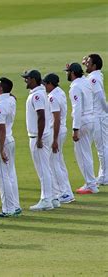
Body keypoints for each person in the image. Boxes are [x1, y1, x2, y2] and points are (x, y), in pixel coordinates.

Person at [22, 70, 56, 211]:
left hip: (38, 136)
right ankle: (53, 198)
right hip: (41, 135)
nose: (25, 81)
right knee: (46, 168)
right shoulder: (39, 93)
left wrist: (40, 138)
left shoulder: (37, 95)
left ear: (34, 80)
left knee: (43, 170)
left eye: (27, 78)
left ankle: (46, 199)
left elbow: (41, 116)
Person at [0, 77, 21, 217]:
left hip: (0, 140)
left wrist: (1, 149)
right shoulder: (11, 100)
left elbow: (1, 128)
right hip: (10, 138)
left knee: (3, 177)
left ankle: (8, 209)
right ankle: (15, 206)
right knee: (10, 174)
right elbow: (13, 97)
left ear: (1, 89)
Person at [65, 63, 97, 194]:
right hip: (91, 118)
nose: (67, 74)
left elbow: (77, 108)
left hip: (82, 121)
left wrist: (75, 129)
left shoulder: (75, 87)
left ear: (72, 73)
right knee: (86, 153)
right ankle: (91, 182)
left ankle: (91, 184)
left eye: (68, 72)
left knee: (83, 155)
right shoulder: (86, 82)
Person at [42, 73, 75, 203]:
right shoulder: (59, 91)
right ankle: (67, 191)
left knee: (54, 163)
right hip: (61, 130)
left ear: (50, 84)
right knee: (59, 162)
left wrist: (54, 140)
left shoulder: (53, 97)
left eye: (45, 84)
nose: (44, 86)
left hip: (56, 131)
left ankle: (64, 193)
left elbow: (56, 119)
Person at [83, 54, 108, 186]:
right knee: (101, 147)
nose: (85, 63)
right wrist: (86, 61)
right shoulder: (95, 75)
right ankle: (103, 174)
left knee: (102, 147)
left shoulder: (94, 79)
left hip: (99, 116)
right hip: (98, 115)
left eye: (88, 62)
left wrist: (106, 111)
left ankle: (105, 176)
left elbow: (101, 98)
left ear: (94, 66)